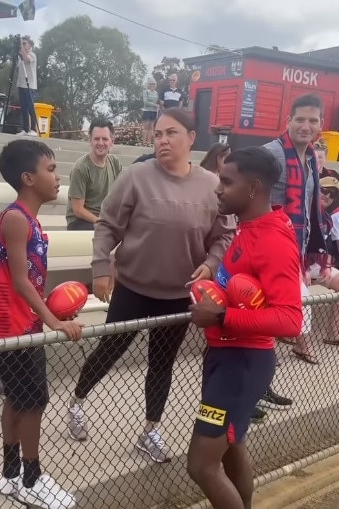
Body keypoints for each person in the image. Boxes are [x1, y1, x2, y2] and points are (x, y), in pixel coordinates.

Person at [67, 108, 235, 464]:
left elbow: (223, 236)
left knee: (162, 363)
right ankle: (77, 401)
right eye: (157, 134)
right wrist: (100, 268)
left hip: (177, 294)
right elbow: (108, 226)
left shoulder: (210, 184)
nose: (162, 140)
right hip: (132, 287)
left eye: (171, 133)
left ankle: (150, 431)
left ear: (191, 138)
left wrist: (209, 264)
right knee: (109, 351)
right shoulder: (136, 177)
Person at [188, 146, 302, 509]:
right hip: (226, 358)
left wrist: (221, 317)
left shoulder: (272, 240)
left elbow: (290, 320)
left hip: (241, 365)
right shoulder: (250, 228)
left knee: (201, 466)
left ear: (252, 188)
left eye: (226, 181)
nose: (218, 189)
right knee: (231, 450)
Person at [0, 139, 82, 508]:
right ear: (28, 177)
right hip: (15, 326)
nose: (58, 177)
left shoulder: (30, 220)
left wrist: (52, 309)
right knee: (33, 401)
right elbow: (19, 280)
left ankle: (10, 474)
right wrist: (53, 319)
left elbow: (31, 279)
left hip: (24, 324)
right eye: (51, 169)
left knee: (18, 399)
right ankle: (32, 478)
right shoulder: (14, 218)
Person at [257, 93, 327, 414]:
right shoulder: (271, 154)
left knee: (269, 326)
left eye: (312, 120)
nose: (305, 125)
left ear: (320, 126)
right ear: (288, 121)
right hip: (265, 253)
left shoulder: (311, 159)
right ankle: (250, 390)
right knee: (259, 325)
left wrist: (304, 254)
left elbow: (310, 214)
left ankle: (260, 385)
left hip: (292, 253)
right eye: (300, 119)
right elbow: (251, 200)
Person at [66, 118, 122, 231]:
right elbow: (78, 210)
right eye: (96, 139)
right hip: (80, 221)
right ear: (90, 140)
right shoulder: (81, 168)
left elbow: (121, 196)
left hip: (104, 217)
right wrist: (104, 222)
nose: (100, 143)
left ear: (112, 141)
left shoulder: (115, 163)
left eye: (105, 139)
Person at [309, 176, 339, 344]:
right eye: (324, 190)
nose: (327, 196)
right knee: (300, 291)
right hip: (297, 265)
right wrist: (303, 270)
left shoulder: (327, 219)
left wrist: (326, 266)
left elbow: (325, 249)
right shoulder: (304, 212)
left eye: (332, 194)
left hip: (316, 265)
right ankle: (300, 343)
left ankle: (333, 334)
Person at [16, 36, 38, 137]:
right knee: (23, 107)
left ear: (29, 45)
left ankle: (33, 129)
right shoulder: (20, 57)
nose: (23, 45)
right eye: (22, 43)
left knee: (30, 107)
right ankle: (25, 128)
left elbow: (27, 60)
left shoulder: (32, 55)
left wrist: (22, 49)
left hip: (30, 85)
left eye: (25, 43)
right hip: (21, 85)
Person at [142, 77, 159, 146]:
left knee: (151, 127)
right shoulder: (145, 92)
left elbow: (157, 101)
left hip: (154, 111)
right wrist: (154, 105)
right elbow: (145, 102)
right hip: (147, 110)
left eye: (154, 84)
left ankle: (149, 142)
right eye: (151, 84)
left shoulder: (156, 93)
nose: (153, 85)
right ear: (148, 85)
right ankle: (144, 141)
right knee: (146, 126)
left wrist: (157, 106)